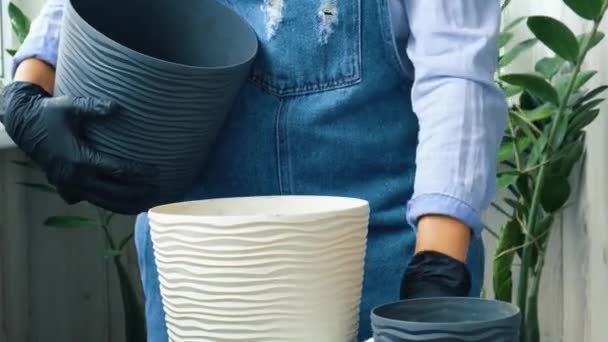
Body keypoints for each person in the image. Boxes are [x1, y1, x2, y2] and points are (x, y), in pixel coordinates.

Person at [0, 0, 507, 341]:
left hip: (382, 272)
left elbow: (456, 77)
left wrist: (437, 271)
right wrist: (27, 87)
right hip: (199, 274)